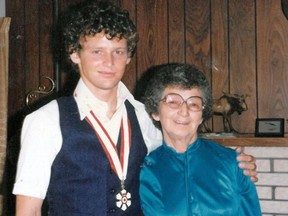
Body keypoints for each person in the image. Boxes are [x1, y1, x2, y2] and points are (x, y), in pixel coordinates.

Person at [13, 1, 258, 215]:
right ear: (74, 54)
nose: (109, 62)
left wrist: (231, 163)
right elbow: (29, 210)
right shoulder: (45, 120)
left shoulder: (142, 114)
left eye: (118, 52)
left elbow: (181, 149)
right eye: (97, 51)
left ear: (128, 56)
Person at [140, 63, 261, 215]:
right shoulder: (147, 170)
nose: (184, 111)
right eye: (173, 102)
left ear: (202, 115)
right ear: (155, 112)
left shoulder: (233, 164)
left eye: (193, 104)